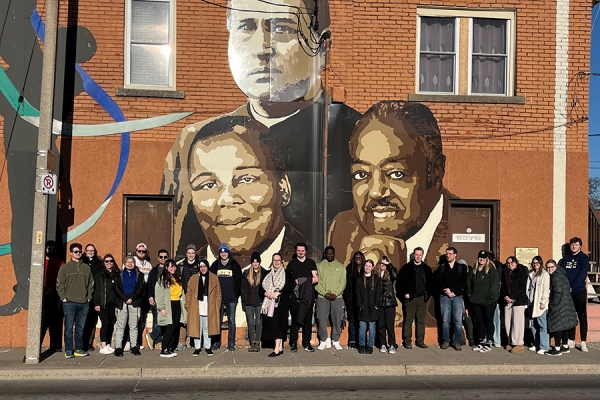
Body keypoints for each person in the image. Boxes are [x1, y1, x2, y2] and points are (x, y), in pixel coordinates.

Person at [163, 0, 360, 262]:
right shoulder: (195, 142)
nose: (260, 49)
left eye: (281, 28)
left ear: (322, 46)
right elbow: (174, 244)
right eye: (246, 26)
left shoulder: (359, 138)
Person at [329, 100, 450, 268]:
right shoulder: (343, 227)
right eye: (361, 174)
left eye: (396, 174)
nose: (376, 192)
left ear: (436, 172)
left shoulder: (466, 226)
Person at [181, 116, 314, 266]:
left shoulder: (313, 263)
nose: (227, 199)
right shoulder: (182, 270)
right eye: (208, 185)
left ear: (283, 187)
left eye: (246, 179)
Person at [56, 243, 94, 358]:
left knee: (80, 328)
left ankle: (78, 349)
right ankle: (68, 350)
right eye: (76, 251)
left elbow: (91, 284)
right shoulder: (64, 268)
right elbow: (60, 284)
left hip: (84, 302)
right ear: (71, 253)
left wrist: (89, 297)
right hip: (69, 302)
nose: (78, 253)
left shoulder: (86, 268)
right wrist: (63, 297)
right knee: (68, 328)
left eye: (80, 251)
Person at [397, 247, 433, 349]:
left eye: (420, 255)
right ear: (413, 255)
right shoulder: (406, 268)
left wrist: (427, 295)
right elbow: (400, 283)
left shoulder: (426, 269)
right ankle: (407, 341)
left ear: (422, 255)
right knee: (408, 320)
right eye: (416, 254)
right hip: (410, 298)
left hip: (422, 298)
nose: (418, 257)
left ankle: (420, 341)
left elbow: (431, 284)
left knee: (421, 321)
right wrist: (405, 293)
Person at [209, 243, 243, 351]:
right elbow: (211, 281)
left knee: (231, 321)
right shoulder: (215, 265)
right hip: (219, 299)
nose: (223, 254)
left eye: (225, 252)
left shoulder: (235, 265)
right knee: (217, 321)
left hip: (231, 298)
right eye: (221, 252)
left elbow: (239, 281)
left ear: (228, 253)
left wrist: (236, 294)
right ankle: (216, 342)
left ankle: (231, 343)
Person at [186, 259, 221, 356]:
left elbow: (218, 293)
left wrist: (217, 305)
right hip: (196, 305)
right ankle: (197, 348)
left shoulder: (214, 278)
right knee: (197, 327)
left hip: (209, 305)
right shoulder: (193, 278)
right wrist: (188, 306)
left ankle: (208, 347)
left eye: (204, 266)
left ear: (207, 267)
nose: (203, 269)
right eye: (201, 267)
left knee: (207, 327)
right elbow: (188, 293)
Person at [288, 242, 319, 352]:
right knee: (295, 321)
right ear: (296, 251)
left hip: (308, 297)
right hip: (296, 297)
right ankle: (293, 344)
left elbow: (316, 278)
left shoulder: (311, 263)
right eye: (298, 250)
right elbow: (290, 280)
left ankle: (307, 343)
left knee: (307, 322)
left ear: (306, 251)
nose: (300, 252)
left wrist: (303, 280)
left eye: (302, 250)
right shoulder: (291, 264)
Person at [261, 253, 294, 357]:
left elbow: (290, 286)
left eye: (278, 260)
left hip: (281, 304)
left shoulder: (287, 273)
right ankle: (279, 347)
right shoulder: (267, 274)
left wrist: (278, 293)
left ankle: (276, 349)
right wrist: (267, 294)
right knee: (273, 326)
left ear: (281, 261)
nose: (276, 262)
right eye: (274, 260)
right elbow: (261, 288)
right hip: (269, 304)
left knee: (279, 326)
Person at [467, 250, 500, 353]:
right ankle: (482, 341)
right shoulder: (473, 270)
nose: (482, 259)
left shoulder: (491, 270)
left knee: (488, 320)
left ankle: (489, 342)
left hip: (488, 301)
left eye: (484, 258)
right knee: (479, 321)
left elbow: (495, 285)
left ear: (487, 259)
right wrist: (470, 295)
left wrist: (489, 297)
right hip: (476, 301)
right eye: (480, 257)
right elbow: (469, 284)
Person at [436, 247, 468, 351]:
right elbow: (438, 281)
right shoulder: (442, 267)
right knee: (445, 321)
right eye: (447, 254)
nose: (448, 255)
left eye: (450, 253)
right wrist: (446, 290)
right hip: (445, 297)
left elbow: (463, 282)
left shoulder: (461, 267)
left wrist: (453, 291)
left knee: (458, 321)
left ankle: (457, 342)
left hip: (457, 297)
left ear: (455, 255)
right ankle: (445, 341)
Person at [113, 256, 146, 357]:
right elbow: (116, 288)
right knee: (120, 326)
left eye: (132, 262)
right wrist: (125, 298)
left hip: (134, 302)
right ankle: (118, 347)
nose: (130, 264)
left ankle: (134, 347)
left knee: (133, 326)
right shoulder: (119, 274)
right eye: (128, 262)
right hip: (122, 302)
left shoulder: (139, 275)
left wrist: (132, 298)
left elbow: (140, 289)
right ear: (124, 263)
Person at [315, 246, 346, 351]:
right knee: (321, 318)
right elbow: (316, 282)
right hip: (322, 297)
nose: (329, 255)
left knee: (338, 319)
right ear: (324, 254)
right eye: (327, 253)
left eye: (331, 253)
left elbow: (343, 282)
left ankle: (335, 340)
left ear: (334, 253)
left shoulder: (341, 266)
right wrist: (325, 293)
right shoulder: (319, 266)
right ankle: (323, 340)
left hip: (337, 297)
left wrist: (336, 293)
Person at [561, 237, 589, 352]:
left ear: (580, 246)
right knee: (570, 316)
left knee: (582, 316)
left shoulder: (584, 258)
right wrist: (566, 286)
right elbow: (562, 273)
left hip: (579, 291)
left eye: (576, 245)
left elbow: (582, 274)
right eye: (572, 245)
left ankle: (583, 341)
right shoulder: (565, 258)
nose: (574, 246)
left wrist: (573, 286)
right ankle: (571, 339)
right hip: (568, 291)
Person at [545, 260, 579, 356]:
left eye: (551, 267)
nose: (549, 269)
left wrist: (552, 304)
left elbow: (558, 292)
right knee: (565, 326)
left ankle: (556, 348)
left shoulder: (555, 277)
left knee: (557, 326)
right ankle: (565, 346)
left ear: (556, 267)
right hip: (567, 304)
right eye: (547, 267)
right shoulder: (562, 275)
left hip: (559, 305)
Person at [155, 259, 188, 358]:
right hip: (168, 305)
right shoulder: (162, 279)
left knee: (175, 327)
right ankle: (164, 349)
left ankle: (170, 348)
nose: (173, 269)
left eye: (174, 267)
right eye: (171, 267)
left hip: (177, 304)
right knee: (169, 328)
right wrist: (162, 308)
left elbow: (182, 294)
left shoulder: (177, 278)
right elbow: (158, 295)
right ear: (166, 268)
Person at [241, 252, 269, 352]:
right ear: (251, 263)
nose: (255, 264)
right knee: (251, 323)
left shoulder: (265, 273)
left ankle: (258, 342)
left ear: (259, 262)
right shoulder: (246, 273)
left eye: (257, 262)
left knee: (258, 322)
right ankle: (252, 342)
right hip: (249, 302)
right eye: (253, 262)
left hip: (260, 302)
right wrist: (244, 301)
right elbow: (243, 288)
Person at [501, 256, 529, 354]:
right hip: (507, 300)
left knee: (517, 323)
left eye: (512, 262)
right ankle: (511, 342)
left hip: (518, 300)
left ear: (516, 263)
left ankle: (519, 344)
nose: (510, 264)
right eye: (508, 263)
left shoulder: (522, 272)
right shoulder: (505, 272)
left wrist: (511, 296)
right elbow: (503, 286)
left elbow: (522, 287)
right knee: (508, 323)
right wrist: (505, 296)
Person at [176, 244, 201, 351]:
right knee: (184, 319)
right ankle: (182, 341)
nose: (191, 255)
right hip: (184, 295)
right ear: (186, 253)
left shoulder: (200, 265)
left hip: (197, 296)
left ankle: (194, 341)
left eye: (193, 253)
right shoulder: (181, 265)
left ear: (195, 254)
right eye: (189, 253)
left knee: (196, 318)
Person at [93, 254, 119, 355]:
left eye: (111, 261)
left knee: (111, 323)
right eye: (107, 261)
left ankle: (107, 344)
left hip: (113, 303)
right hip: (103, 303)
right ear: (104, 263)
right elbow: (97, 290)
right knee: (105, 323)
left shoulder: (117, 274)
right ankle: (103, 346)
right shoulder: (99, 275)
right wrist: (96, 303)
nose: (109, 263)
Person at [41, 240, 64, 353]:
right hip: (42, 295)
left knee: (55, 321)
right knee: (42, 321)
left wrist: (54, 290)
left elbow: (63, 280)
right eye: (50, 249)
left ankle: (55, 344)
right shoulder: (40, 262)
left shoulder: (60, 263)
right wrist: (44, 290)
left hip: (55, 295)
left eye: (54, 249)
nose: (52, 251)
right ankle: (37, 344)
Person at [355, 259, 381, 354]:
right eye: (366, 266)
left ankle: (370, 345)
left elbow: (378, 293)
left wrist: (376, 305)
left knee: (372, 328)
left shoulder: (376, 279)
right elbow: (357, 294)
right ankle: (361, 345)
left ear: (372, 267)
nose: (367, 268)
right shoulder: (359, 279)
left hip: (372, 308)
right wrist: (360, 305)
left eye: (370, 266)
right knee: (362, 328)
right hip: (363, 308)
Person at [146, 249, 169, 351]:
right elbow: (149, 286)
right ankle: (158, 341)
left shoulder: (170, 269)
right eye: (161, 257)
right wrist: (150, 297)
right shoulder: (154, 271)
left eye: (165, 257)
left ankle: (152, 336)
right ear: (158, 258)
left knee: (166, 321)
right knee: (157, 321)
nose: (163, 259)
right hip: (155, 300)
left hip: (167, 300)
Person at [374, 256, 398, 354]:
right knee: (381, 325)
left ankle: (392, 344)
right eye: (381, 263)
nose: (383, 266)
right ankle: (382, 344)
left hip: (390, 302)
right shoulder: (376, 274)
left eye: (385, 264)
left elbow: (395, 275)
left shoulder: (390, 272)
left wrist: (389, 266)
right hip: (380, 303)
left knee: (390, 325)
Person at [82, 243, 103, 352]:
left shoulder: (99, 263)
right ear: (85, 251)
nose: (90, 252)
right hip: (81, 296)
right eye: (88, 250)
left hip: (94, 296)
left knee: (92, 320)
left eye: (92, 250)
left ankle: (89, 342)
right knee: (81, 320)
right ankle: (81, 342)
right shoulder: (81, 261)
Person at [527, 256, 550, 354]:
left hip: (540, 304)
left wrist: (543, 302)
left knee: (542, 325)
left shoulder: (545, 275)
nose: (535, 264)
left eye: (537, 262)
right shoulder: (531, 274)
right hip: (531, 303)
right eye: (534, 262)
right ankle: (536, 344)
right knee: (533, 325)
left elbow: (546, 290)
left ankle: (544, 346)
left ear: (541, 263)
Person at [343, 251, 364, 349]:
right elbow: (346, 285)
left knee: (363, 321)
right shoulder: (349, 269)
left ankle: (361, 340)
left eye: (359, 257)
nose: (358, 259)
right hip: (352, 299)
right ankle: (352, 340)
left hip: (364, 299)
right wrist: (347, 298)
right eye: (356, 258)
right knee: (352, 320)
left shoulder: (366, 269)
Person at [133, 243, 153, 350]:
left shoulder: (148, 265)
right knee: (134, 318)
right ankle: (132, 342)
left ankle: (139, 342)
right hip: (135, 294)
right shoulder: (132, 261)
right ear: (135, 251)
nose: (141, 253)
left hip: (145, 294)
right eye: (139, 251)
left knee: (142, 318)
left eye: (143, 251)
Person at [488, 252, 504, 348]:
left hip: (496, 298)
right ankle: (488, 339)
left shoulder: (499, 269)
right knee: (488, 320)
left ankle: (497, 340)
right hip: (486, 299)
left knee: (496, 319)